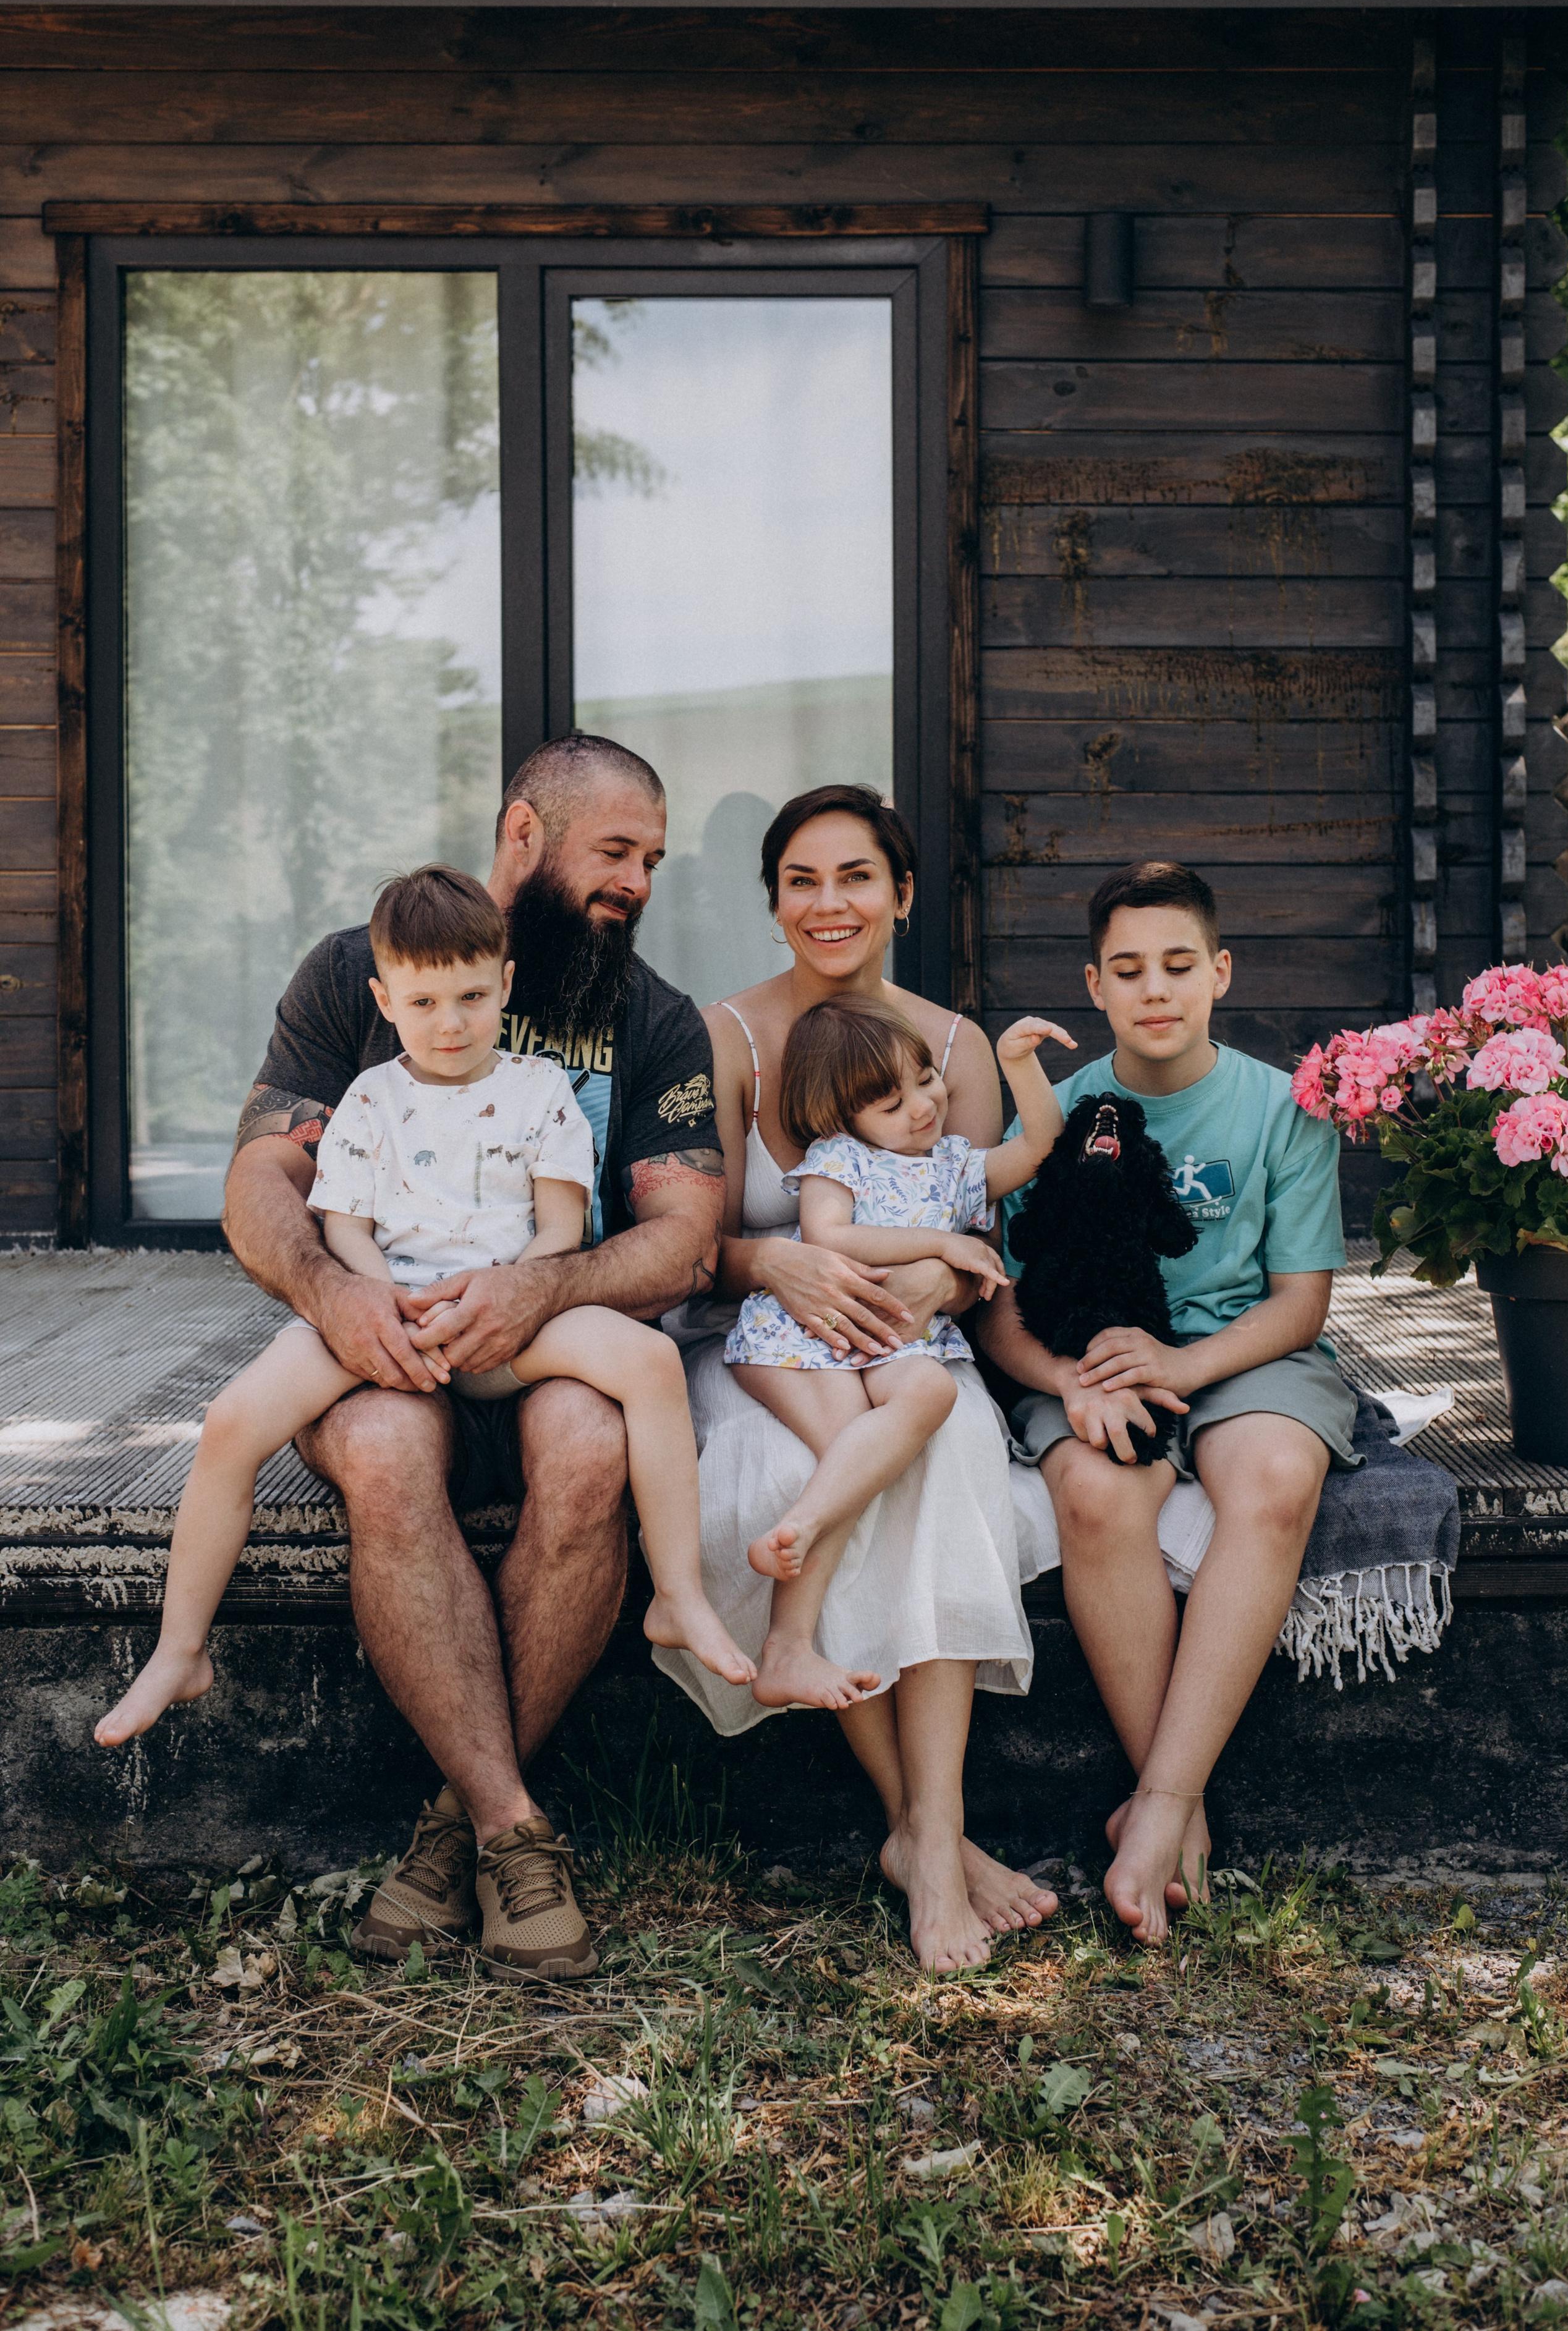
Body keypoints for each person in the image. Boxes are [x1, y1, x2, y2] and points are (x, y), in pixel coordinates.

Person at [210, 735, 726, 1982]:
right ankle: (510, 1826)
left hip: (549, 1342)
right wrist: (337, 1295)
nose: (639, 880)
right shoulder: (360, 974)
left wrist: (544, 1283)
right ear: (523, 835)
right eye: (615, 850)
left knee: (590, 1443)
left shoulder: (648, 1017)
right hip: (383, 1337)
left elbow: (685, 1237)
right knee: (386, 1453)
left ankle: (451, 1831)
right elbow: (262, 1176)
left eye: (652, 859)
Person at [93, 865, 755, 1768]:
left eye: (474, 996)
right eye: (425, 1000)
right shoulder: (369, 1098)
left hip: (507, 1322)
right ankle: (180, 1649)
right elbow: (343, 1224)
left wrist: (508, 1293)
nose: (451, 1023)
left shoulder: (541, 1094)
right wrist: (380, 1300)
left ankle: (679, 1593)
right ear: (385, 997)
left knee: (648, 1365)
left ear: (506, 985)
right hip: (390, 1320)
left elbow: (562, 1227)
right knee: (234, 1420)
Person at [658, 783, 1064, 1974]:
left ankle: (930, 1837)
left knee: (945, 1457)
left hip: (913, 1351)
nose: (828, 903)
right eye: (802, 880)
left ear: (900, 894)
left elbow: (981, 1221)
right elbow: (693, 1245)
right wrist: (770, 1253)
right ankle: (926, 1837)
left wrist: (950, 1284)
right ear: (775, 899)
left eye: (855, 878)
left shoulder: (953, 1048)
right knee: (792, 1463)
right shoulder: (720, 1034)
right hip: (764, 1344)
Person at [980, 859, 1355, 1947]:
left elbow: (1299, 1303)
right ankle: (1171, 1800)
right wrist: (1067, 1380)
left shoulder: (1283, 1107)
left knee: (1277, 1478)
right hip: (1086, 1355)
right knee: (1097, 1492)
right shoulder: (1057, 1117)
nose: (1157, 989)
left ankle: (1154, 1807)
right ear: (1093, 984)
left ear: (1220, 973)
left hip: (1236, 1351)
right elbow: (999, 1301)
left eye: (1179, 965)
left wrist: (1181, 1369)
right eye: (1129, 969)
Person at [726, 996, 1070, 1711]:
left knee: (932, 1394)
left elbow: (1039, 1144)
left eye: (924, 1078)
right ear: (842, 1114)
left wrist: (1018, 1067)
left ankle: (808, 1521)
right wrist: (943, 1242)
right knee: (851, 1444)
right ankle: (789, 1640)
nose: (921, 1106)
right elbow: (829, 1237)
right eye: (890, 1101)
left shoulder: (955, 1164)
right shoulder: (838, 1158)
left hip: (888, 1341)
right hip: (810, 1332)